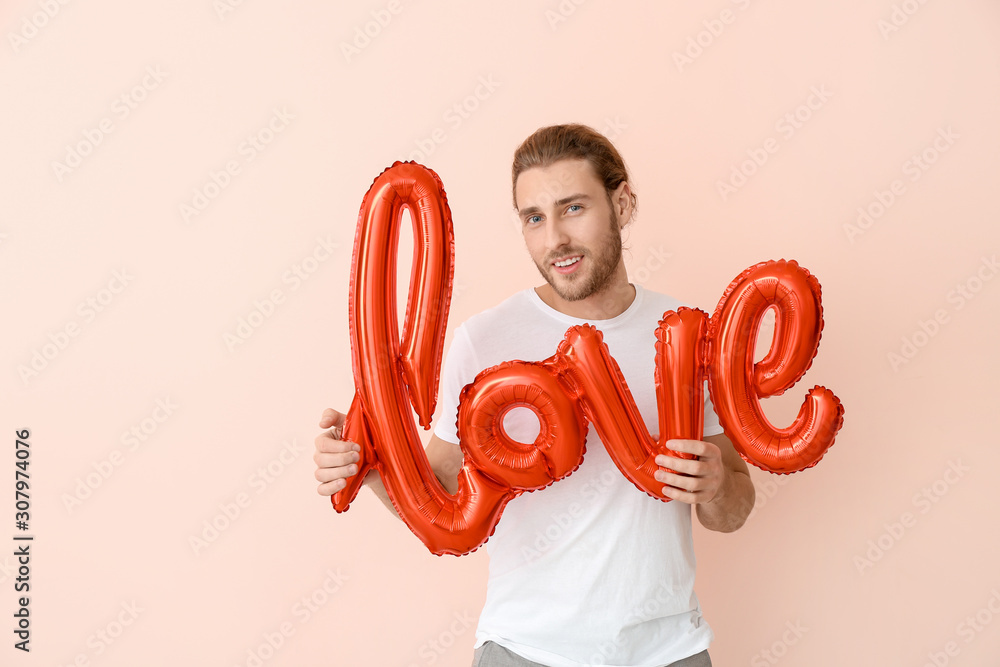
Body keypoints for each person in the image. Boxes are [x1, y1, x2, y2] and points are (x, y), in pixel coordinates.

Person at [314, 124, 755, 667]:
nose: (554, 240)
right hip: (524, 651)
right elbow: (440, 498)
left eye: (573, 208)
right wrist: (369, 468)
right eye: (534, 218)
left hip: (668, 652)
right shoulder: (486, 340)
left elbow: (732, 508)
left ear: (623, 203)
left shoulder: (686, 333)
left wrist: (713, 486)